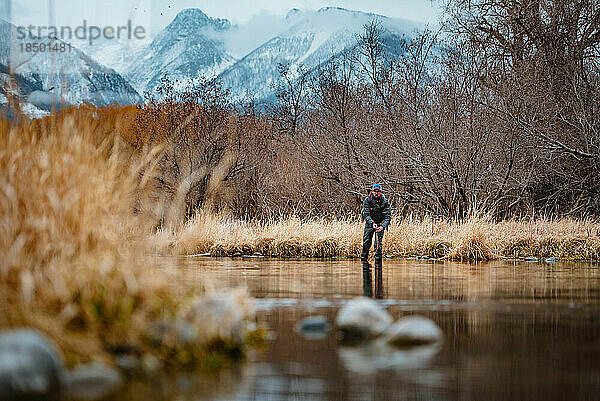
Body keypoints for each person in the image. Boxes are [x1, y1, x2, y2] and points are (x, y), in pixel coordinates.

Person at [361, 184, 391, 262]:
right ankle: (364, 260)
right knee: (366, 242)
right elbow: (366, 214)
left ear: (380, 192)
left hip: (380, 223)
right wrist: (372, 223)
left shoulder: (384, 201)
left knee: (378, 244)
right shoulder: (367, 200)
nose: (376, 193)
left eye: (378, 191)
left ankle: (378, 262)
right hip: (370, 223)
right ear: (372, 191)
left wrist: (383, 226)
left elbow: (388, 217)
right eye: (375, 191)